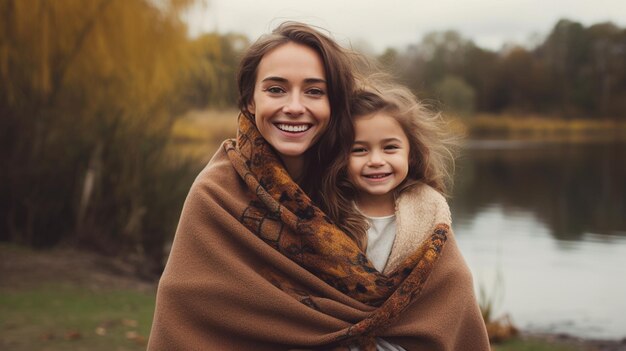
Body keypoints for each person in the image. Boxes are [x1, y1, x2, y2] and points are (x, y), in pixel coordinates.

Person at [148, 21, 489, 350]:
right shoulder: (217, 193)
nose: (294, 107)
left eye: (314, 91)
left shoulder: (381, 193)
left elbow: (450, 295)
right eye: (275, 89)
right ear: (250, 101)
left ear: (334, 103)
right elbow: (187, 306)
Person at [321, 81, 490, 350]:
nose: (376, 159)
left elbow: (454, 286)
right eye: (359, 150)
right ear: (341, 157)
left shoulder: (428, 214)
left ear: (410, 154)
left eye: (390, 148)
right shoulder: (326, 213)